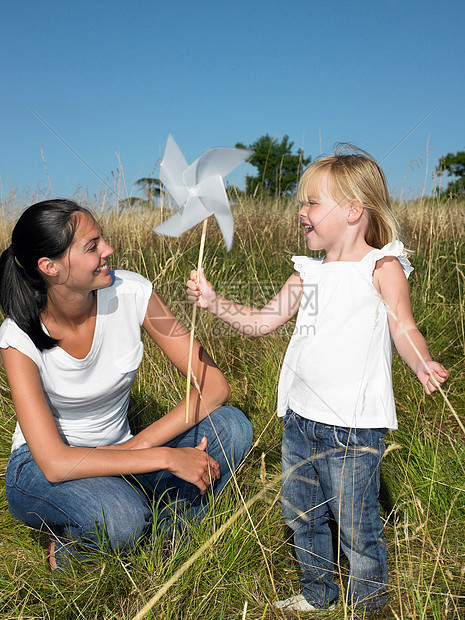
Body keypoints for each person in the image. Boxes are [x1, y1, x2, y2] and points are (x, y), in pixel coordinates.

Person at [187, 145, 449, 613]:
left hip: (352, 426)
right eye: (301, 203)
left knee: (356, 524)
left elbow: (402, 325)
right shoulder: (308, 272)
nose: (301, 212)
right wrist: (212, 301)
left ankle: (368, 604)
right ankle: (318, 592)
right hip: (300, 421)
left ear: (352, 210)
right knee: (302, 515)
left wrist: (421, 361)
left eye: (311, 202)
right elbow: (259, 321)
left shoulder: (381, 266)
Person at [0, 199, 252, 571]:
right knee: (121, 519)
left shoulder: (134, 292)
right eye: (92, 247)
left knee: (231, 426)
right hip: (42, 467)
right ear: (50, 267)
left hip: (125, 450)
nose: (108, 250)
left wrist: (140, 445)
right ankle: (71, 549)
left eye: (102, 238)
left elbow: (214, 386)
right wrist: (166, 457)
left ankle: (168, 540)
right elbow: (54, 463)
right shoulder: (17, 338)